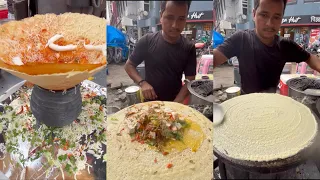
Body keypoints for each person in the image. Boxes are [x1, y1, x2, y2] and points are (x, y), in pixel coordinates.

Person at [213, 0, 320, 94]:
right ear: (254, 14)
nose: (269, 23)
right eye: (264, 15)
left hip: (272, 102)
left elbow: (310, 57)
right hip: (246, 103)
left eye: (276, 17)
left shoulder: (285, 45)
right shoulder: (241, 39)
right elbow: (215, 58)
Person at [124, 1, 196, 103]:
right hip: (149, 102)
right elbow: (129, 66)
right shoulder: (147, 41)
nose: (175, 25)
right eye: (170, 17)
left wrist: (175, 104)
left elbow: (190, 79)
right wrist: (142, 83)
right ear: (161, 16)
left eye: (181, 19)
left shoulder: (189, 48)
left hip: (175, 102)